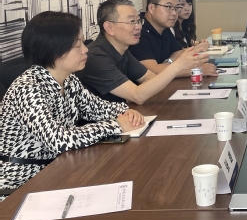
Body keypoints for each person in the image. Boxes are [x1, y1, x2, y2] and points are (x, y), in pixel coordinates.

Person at [0, 11, 144, 201]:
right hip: (21, 183)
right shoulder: (27, 89)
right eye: (77, 46)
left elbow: (96, 108)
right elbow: (59, 140)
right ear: (53, 50)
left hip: (57, 169)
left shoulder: (68, 80)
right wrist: (116, 125)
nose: (85, 50)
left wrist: (126, 112)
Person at [77, 0, 209, 104]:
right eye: (131, 21)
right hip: (100, 125)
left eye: (138, 21)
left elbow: (149, 78)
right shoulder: (95, 57)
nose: (138, 26)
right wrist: (178, 65)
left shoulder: (122, 51)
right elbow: (137, 96)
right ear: (109, 27)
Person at [129, 0, 217, 77]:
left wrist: (168, 62)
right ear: (151, 8)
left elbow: (178, 52)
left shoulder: (163, 27)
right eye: (168, 7)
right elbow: (153, 72)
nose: (174, 13)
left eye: (176, 8)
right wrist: (196, 70)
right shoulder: (138, 31)